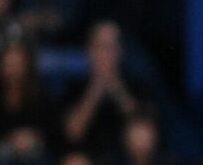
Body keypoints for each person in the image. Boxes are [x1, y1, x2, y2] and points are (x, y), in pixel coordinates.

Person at [62, 20, 147, 164]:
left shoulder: (137, 86)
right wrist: (95, 91)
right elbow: (72, 133)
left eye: (112, 46)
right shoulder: (73, 87)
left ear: (121, 51)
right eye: (101, 46)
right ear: (89, 50)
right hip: (89, 158)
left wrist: (118, 90)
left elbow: (144, 134)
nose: (107, 53)